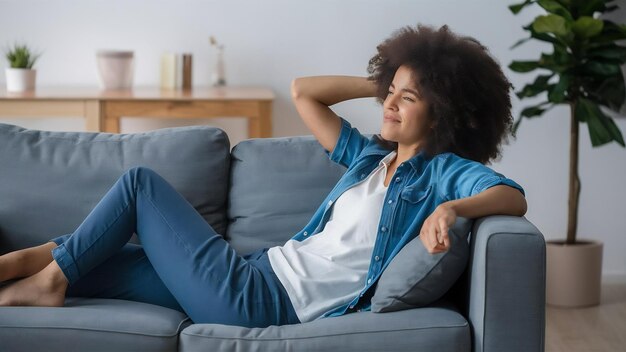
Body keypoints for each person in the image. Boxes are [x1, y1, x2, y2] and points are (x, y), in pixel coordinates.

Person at [0, 23, 527, 328]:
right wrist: (388, 84)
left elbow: (511, 196)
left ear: (443, 115)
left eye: (407, 100)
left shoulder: (441, 174)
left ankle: (43, 276)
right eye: (391, 92)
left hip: (262, 299)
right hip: (250, 270)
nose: (389, 104)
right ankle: (28, 266)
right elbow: (304, 91)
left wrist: (452, 207)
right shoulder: (369, 158)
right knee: (103, 260)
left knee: (141, 186)